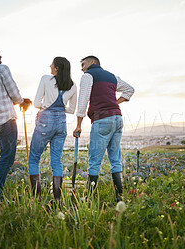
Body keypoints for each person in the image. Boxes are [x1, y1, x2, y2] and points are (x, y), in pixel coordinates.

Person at [73, 56, 134, 202]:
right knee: (115, 159)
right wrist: (115, 103)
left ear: (92, 63)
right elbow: (129, 90)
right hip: (117, 119)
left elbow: (82, 101)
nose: (81, 68)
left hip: (102, 120)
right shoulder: (112, 77)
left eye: (83, 64)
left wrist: (79, 125)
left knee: (94, 161)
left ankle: (89, 197)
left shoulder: (88, 76)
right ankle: (120, 197)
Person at [0, 46, 32, 199]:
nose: (0, 55)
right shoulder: (2, 68)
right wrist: (22, 101)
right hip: (5, 119)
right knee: (7, 158)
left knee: (5, 157)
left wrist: (20, 101)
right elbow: (14, 92)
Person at [28, 57, 77, 202]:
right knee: (56, 161)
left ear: (56, 68)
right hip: (61, 122)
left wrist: (46, 107)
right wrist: (59, 108)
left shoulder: (46, 79)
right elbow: (71, 109)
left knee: (34, 158)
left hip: (45, 121)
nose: (50, 65)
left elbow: (37, 103)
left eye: (52, 64)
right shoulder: (73, 85)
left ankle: (37, 198)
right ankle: (56, 199)